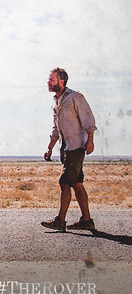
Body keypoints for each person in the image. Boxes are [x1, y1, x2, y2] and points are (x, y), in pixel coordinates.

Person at [41, 68, 97, 232]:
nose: (48, 82)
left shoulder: (75, 97)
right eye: (49, 80)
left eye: (52, 80)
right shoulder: (56, 102)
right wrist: (50, 148)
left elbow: (88, 120)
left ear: (61, 81)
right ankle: (86, 221)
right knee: (77, 183)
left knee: (64, 182)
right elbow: (56, 129)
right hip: (65, 149)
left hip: (76, 147)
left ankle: (60, 221)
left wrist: (90, 140)